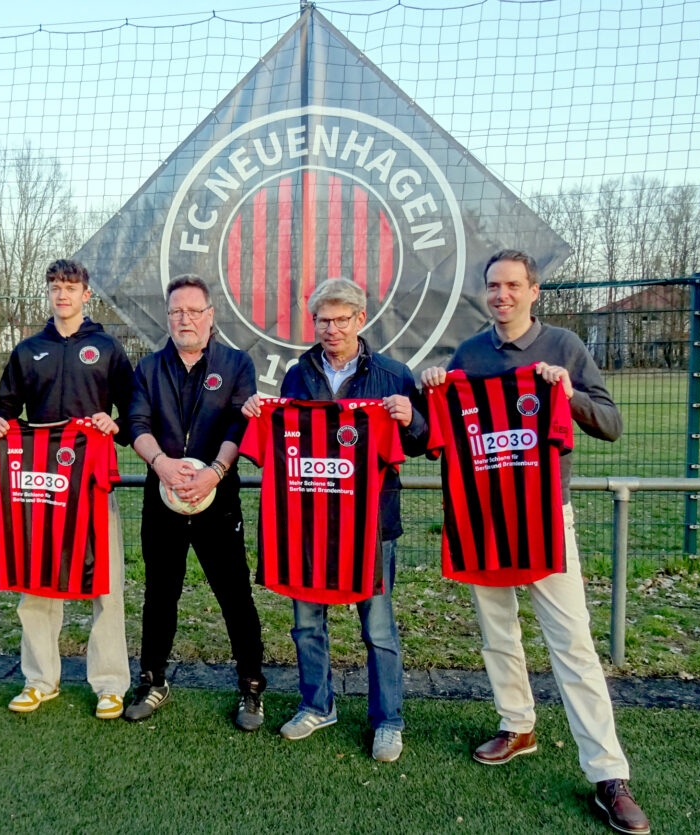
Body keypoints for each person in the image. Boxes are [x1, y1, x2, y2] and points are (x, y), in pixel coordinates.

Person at [420, 250, 649, 834]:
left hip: (546, 517)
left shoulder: (565, 346)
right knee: (497, 632)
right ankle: (516, 724)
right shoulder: (469, 354)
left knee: (571, 642)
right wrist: (431, 391)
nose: (502, 295)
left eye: (512, 285)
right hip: (481, 516)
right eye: (494, 286)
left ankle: (608, 775)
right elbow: (435, 435)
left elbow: (611, 423)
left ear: (534, 291)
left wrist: (566, 393)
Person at [242, 277, 426, 763]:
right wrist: (257, 412)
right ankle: (316, 704)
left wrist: (411, 418)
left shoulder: (393, 374)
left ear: (360, 320)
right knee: (306, 624)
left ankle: (388, 721)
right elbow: (277, 441)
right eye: (323, 319)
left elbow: (420, 443)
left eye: (341, 319)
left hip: (372, 525)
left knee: (379, 630)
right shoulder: (297, 376)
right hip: (307, 523)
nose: (331, 328)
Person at [0, 259, 133, 719]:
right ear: (48, 294)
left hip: (92, 483)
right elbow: (3, 407)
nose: (62, 294)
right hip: (40, 485)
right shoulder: (28, 350)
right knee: (37, 583)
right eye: (55, 286)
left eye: (71, 286)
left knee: (104, 586)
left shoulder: (107, 347)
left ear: (86, 294)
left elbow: (134, 408)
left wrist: (118, 422)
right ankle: (39, 679)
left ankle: (110, 683)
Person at [125, 274, 266, 730]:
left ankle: (251, 687)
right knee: (160, 594)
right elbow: (137, 424)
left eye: (193, 311)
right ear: (167, 317)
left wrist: (214, 474)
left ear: (211, 316)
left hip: (217, 498)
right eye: (176, 312)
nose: (184, 319)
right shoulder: (148, 368)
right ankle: (152, 680)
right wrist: (163, 464)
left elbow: (238, 428)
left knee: (235, 595)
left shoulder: (237, 363)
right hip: (161, 498)